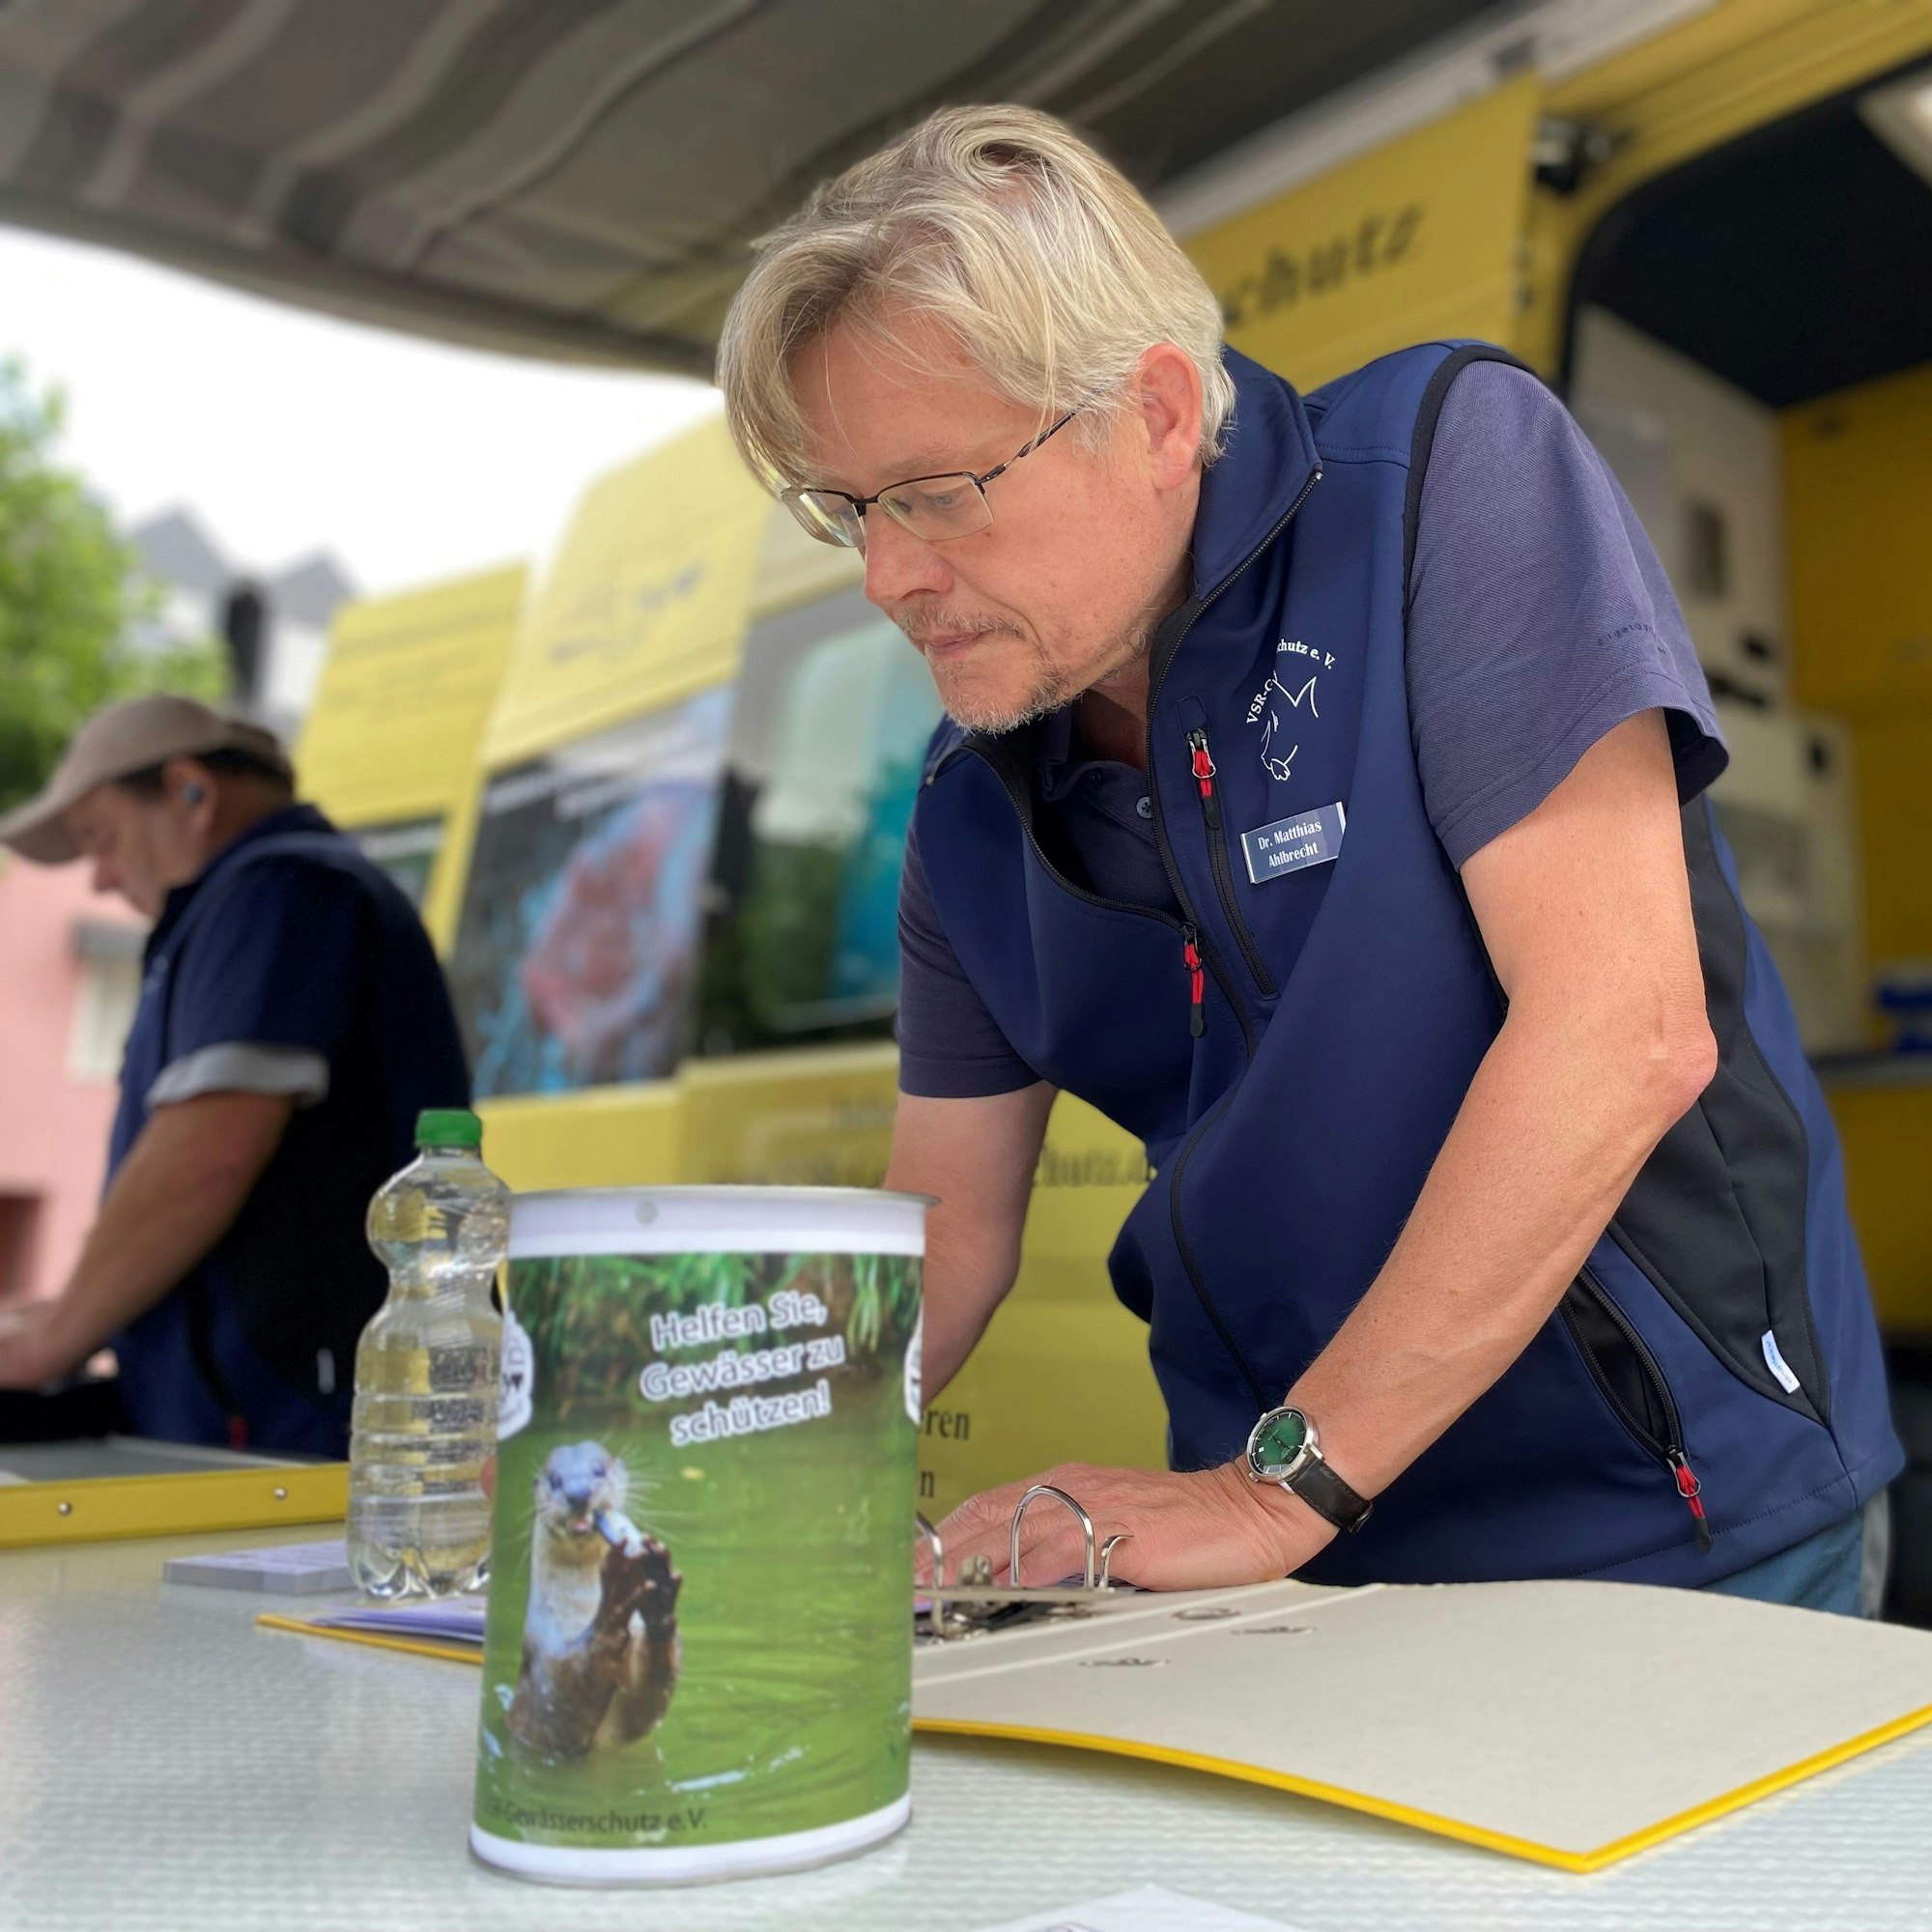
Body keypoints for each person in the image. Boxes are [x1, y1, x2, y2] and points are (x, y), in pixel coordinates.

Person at [716, 106, 1902, 1614]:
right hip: (1299, 1561)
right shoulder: (968, 807)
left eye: (936, 493)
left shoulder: (1437, 477)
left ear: (1156, 416)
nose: (888, 576)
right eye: (848, 512)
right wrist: (706, 1472)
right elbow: (947, 1227)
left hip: (1668, 1525)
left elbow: (1623, 1032)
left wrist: (1269, 1493)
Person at [0, 696, 470, 1456]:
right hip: (254, 1431)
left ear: (191, 790)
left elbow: (204, 1155)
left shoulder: (282, 889)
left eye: (102, 839)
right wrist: (64, 1313)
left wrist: (46, 1340)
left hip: (305, 1442)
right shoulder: (241, 906)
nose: (101, 880)